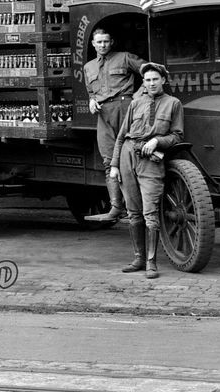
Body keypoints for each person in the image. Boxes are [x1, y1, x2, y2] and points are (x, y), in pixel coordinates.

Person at [110, 62, 183, 279]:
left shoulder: (173, 104)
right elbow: (122, 136)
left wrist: (157, 141)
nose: (151, 83)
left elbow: (177, 136)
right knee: (133, 211)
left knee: (150, 211)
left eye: (155, 79)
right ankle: (139, 258)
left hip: (150, 160)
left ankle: (152, 262)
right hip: (127, 155)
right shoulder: (136, 103)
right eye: (148, 80)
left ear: (163, 80)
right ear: (144, 82)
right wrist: (114, 165)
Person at [82, 27, 144, 222]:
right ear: (93, 44)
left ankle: (138, 207)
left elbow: (150, 70)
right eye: (99, 42)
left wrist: (139, 94)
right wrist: (91, 101)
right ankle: (116, 207)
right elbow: (91, 91)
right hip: (103, 115)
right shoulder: (88, 67)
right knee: (109, 160)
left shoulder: (125, 57)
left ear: (112, 42)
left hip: (125, 108)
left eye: (106, 42)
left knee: (132, 157)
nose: (103, 45)